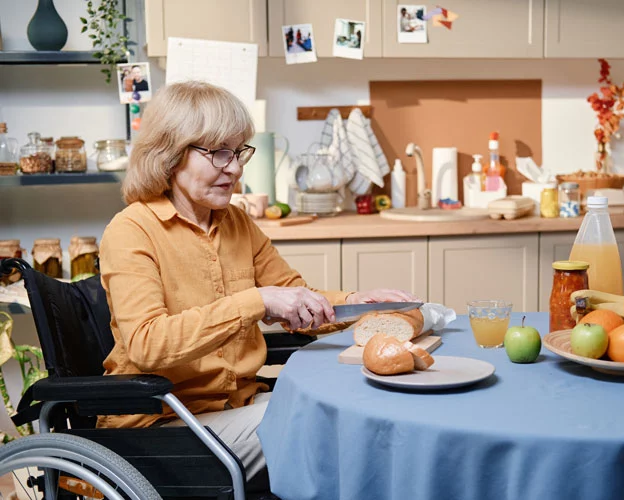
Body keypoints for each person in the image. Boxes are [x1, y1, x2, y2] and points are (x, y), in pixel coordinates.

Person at [97, 81, 419, 486]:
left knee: (354, 407)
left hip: (237, 408)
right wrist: (258, 301)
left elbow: (293, 293)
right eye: (217, 153)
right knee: (327, 426)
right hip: (166, 425)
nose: (234, 168)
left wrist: (359, 300)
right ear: (170, 154)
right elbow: (147, 343)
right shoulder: (131, 231)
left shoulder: (236, 223)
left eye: (237, 152)